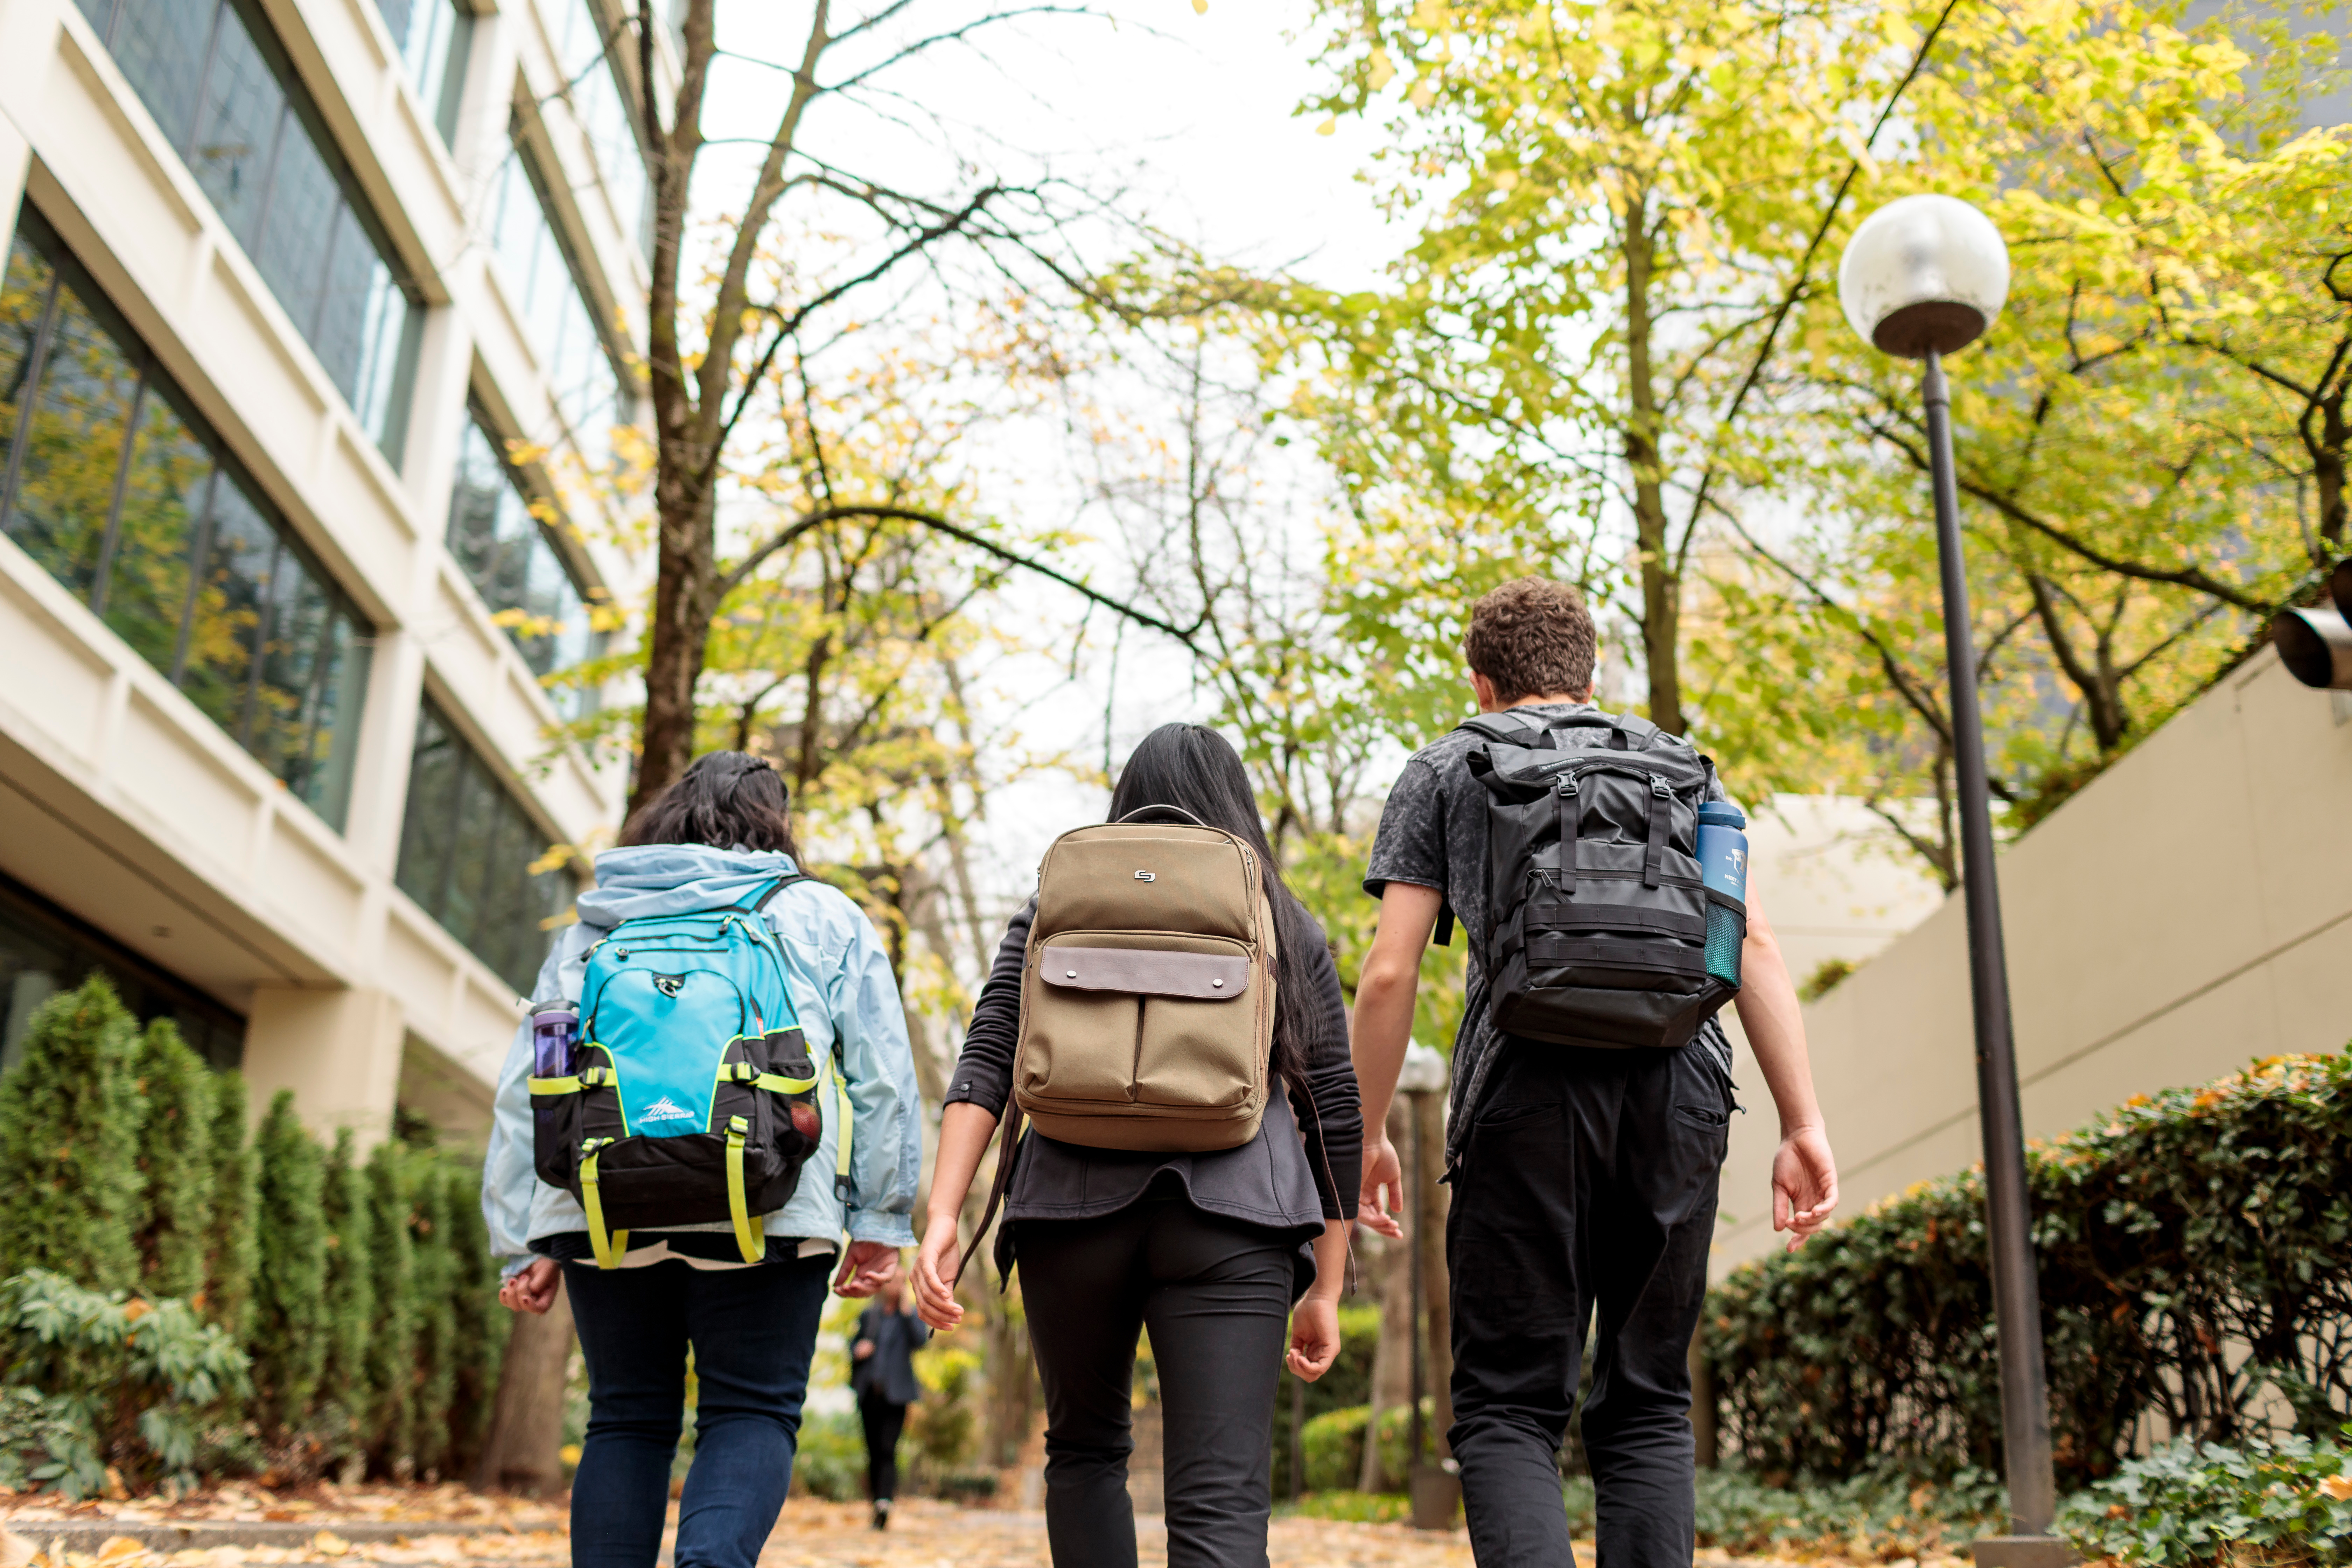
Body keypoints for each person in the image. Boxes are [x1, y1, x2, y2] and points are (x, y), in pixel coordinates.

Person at [1349, 578, 1841, 1568]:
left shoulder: (1451, 763)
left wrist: (1362, 1135)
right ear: (1591, 674)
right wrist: (1803, 1122)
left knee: (1509, 1404)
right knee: (1650, 1398)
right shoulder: (1679, 767)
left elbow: (1391, 967)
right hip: (1680, 1089)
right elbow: (1752, 948)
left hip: (1524, 1092)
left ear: (1481, 681)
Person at [913, 722, 1362, 1568]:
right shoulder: (1277, 912)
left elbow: (989, 1053)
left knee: (1083, 1453)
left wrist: (944, 1211)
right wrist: (1329, 1283)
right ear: (1238, 808)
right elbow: (1332, 1102)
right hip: (1236, 1220)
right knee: (1220, 1496)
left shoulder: (1057, 903)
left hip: (1068, 1211)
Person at [484, 752, 923, 1568]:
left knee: (625, 1415)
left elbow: (532, 1083)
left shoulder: (595, 923)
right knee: (751, 1411)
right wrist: (880, 1218)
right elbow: (883, 1078)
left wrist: (528, 1235)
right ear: (775, 824)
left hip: (604, 1204)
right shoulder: (822, 915)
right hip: (768, 1198)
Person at [850, 1271, 929, 1531]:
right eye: (889, 1281)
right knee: (872, 1451)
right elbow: (852, 1346)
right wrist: (858, 1350)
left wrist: (908, 1311)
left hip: (897, 1396)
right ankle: (876, 1503)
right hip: (869, 1394)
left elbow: (921, 1342)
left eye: (898, 1281)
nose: (893, 1286)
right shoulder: (869, 1316)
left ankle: (885, 1502)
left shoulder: (909, 1317)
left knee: (887, 1448)